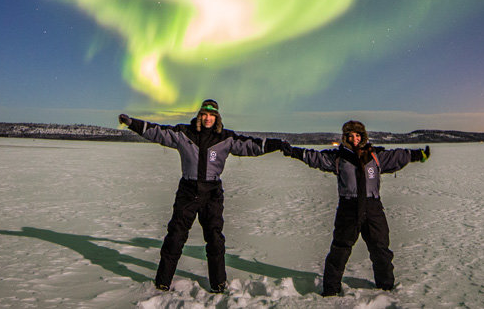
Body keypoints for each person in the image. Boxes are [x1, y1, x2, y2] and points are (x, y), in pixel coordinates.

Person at [118, 99, 284, 293]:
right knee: (175, 237)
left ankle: (218, 283)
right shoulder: (184, 133)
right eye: (204, 114)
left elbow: (250, 145)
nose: (207, 118)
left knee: (215, 239)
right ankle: (162, 282)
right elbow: (158, 132)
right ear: (199, 116)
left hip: (212, 193)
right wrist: (132, 123)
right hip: (188, 191)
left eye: (212, 115)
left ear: (217, 118)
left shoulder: (225, 138)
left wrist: (276, 144)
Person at [281, 120, 429, 296]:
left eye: (357, 135)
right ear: (345, 138)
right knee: (340, 250)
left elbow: (398, 156)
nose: (354, 139)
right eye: (350, 136)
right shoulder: (338, 158)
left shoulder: (375, 156)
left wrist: (419, 154)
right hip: (348, 208)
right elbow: (315, 157)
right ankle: (330, 290)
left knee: (381, 249)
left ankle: (386, 287)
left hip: (373, 207)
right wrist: (293, 151)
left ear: (363, 136)